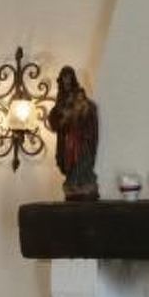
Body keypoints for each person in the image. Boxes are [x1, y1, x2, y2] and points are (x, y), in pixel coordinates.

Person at [45, 65, 100, 202]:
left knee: (82, 158)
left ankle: (83, 183)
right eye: (64, 78)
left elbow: (88, 109)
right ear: (61, 80)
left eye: (69, 77)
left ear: (72, 78)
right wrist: (60, 117)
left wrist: (81, 111)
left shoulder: (79, 94)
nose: (67, 80)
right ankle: (72, 183)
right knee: (70, 160)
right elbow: (56, 117)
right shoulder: (61, 98)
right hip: (68, 137)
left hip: (80, 136)